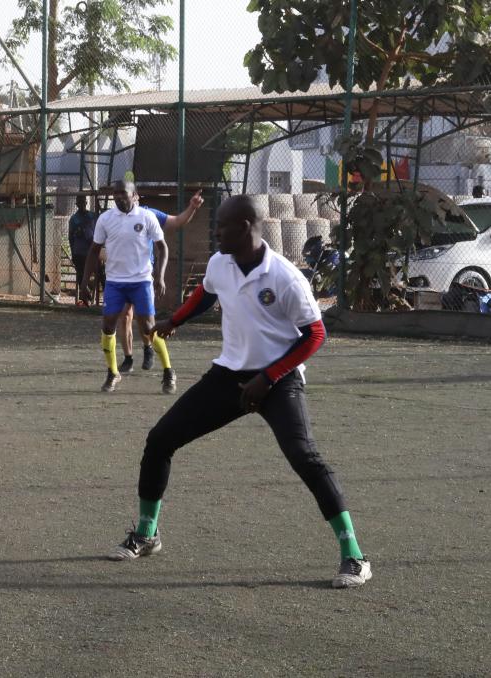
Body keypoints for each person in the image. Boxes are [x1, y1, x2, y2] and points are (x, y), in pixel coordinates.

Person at [107, 194, 372, 589]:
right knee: (160, 439)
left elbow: (315, 334)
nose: (216, 234)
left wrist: (269, 377)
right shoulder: (221, 263)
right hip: (229, 376)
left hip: (278, 381)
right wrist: (174, 319)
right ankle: (148, 535)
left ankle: (354, 555)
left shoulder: (284, 276)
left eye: (222, 227)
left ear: (247, 226)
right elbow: (207, 293)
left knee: (305, 456)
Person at [84, 181, 174, 394]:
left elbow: (163, 248)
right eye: (115, 193)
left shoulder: (146, 217)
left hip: (141, 281)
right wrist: (85, 280)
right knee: (108, 325)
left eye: (123, 193)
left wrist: (159, 277)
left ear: (134, 196)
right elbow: (94, 250)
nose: (118, 197)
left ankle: (168, 371)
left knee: (149, 328)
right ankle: (113, 373)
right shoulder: (106, 219)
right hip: (115, 282)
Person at [113, 191, 206, 373]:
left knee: (144, 319)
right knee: (124, 315)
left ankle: (149, 348)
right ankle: (128, 358)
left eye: (128, 196)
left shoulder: (150, 215)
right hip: (121, 275)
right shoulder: (114, 218)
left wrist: (192, 207)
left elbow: (178, 221)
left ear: (136, 197)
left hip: (142, 276)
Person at [68, 195, 97, 307]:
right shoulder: (74, 219)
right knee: (81, 275)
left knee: (99, 273)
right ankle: (85, 300)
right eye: (79, 203)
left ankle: (96, 297)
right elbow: (71, 237)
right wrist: (72, 251)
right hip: (79, 252)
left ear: (86, 203)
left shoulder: (92, 216)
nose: (81, 204)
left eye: (83, 202)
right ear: (76, 205)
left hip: (92, 250)